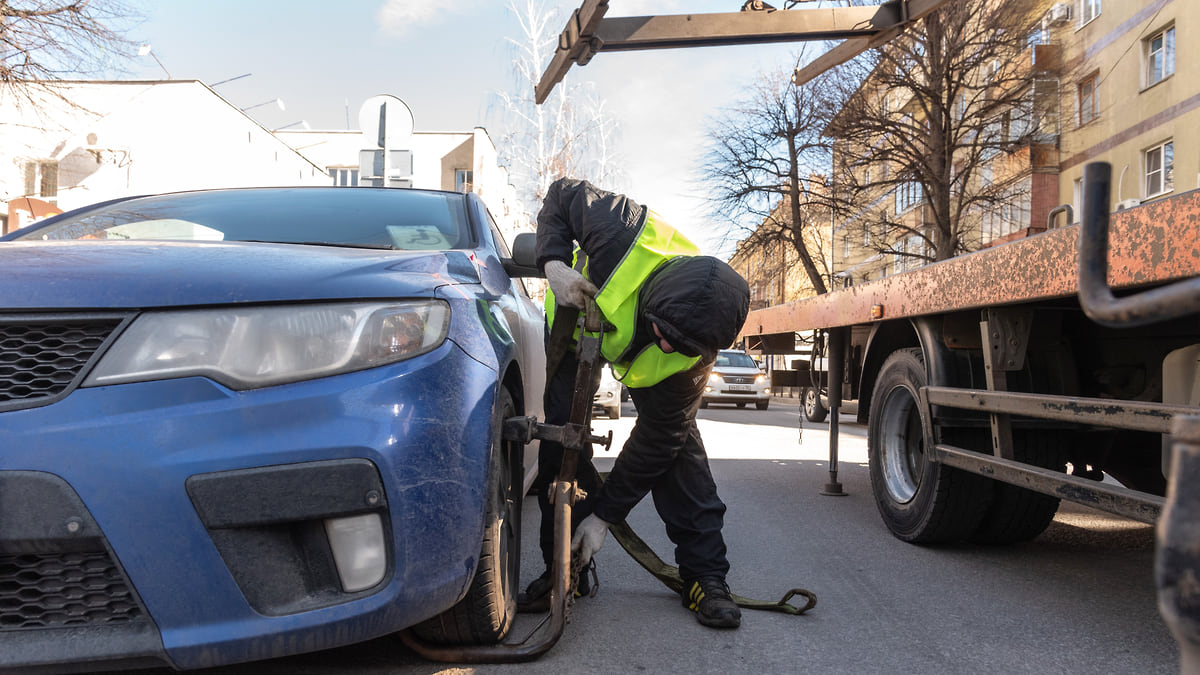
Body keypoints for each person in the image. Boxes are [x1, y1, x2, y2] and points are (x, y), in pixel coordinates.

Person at [522, 177, 751, 629]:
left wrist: (605, 518)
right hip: (574, 326)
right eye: (668, 335)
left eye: (685, 348)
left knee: (679, 451)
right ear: (657, 304)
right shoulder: (619, 229)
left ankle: (705, 577)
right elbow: (562, 195)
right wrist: (553, 264)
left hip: (626, 349)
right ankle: (565, 570)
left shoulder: (692, 349)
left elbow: (657, 442)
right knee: (561, 445)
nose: (670, 350)